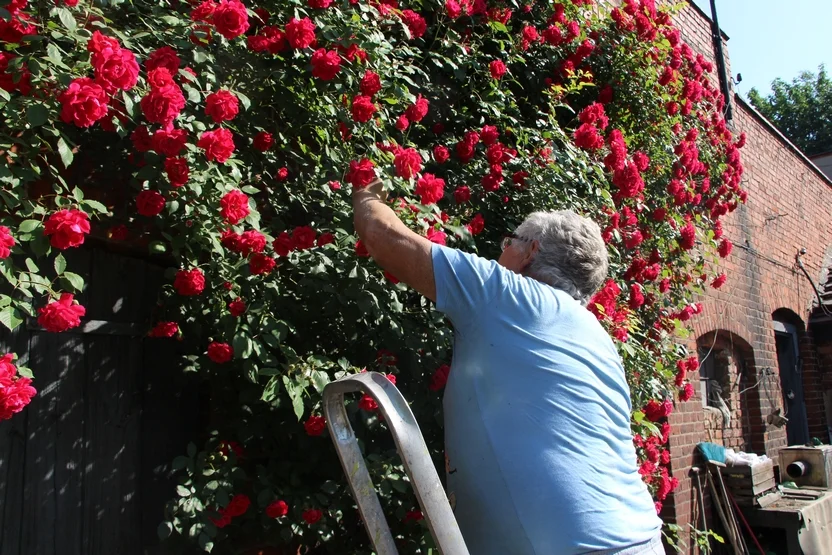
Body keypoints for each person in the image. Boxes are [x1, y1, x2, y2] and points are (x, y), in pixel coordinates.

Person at [353, 180, 663, 555]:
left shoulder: (509, 295)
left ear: (530, 251)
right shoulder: (597, 338)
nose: (502, 252)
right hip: (640, 539)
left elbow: (383, 236)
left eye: (509, 242)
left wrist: (364, 193)